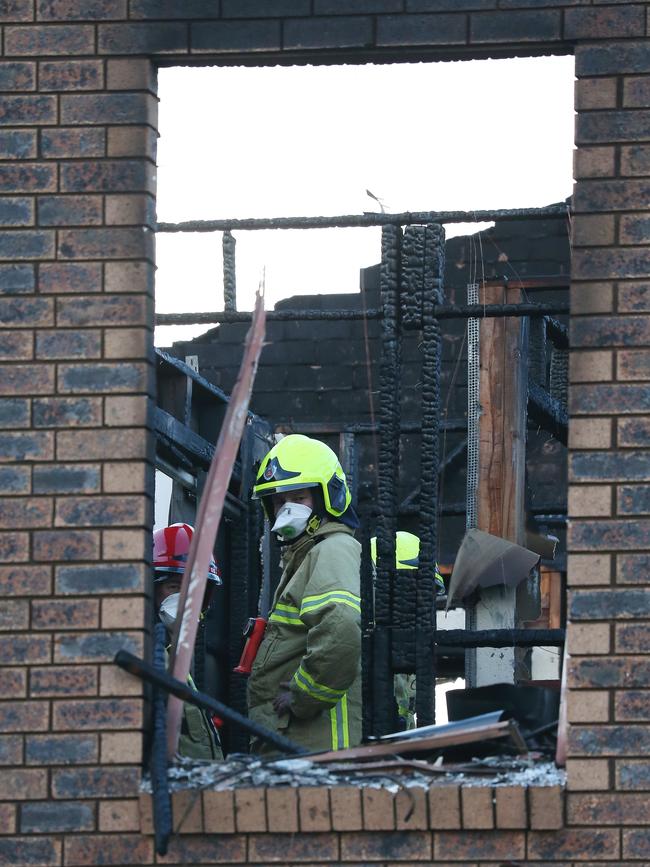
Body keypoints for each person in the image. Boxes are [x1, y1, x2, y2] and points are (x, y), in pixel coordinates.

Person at [247, 434, 362, 755]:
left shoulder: (332, 549)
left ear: (329, 498)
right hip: (299, 745)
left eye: (298, 498)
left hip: (317, 750)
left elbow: (340, 626)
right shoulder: (304, 556)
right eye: (279, 501)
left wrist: (304, 696)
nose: (286, 509)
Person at [153, 522, 223, 760]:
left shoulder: (172, 655)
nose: (184, 600)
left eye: (192, 591)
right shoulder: (149, 657)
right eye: (174, 587)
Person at [370, 530, 445, 730]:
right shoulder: (363, 646)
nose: (421, 602)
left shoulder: (410, 646)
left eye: (426, 593)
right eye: (412, 590)